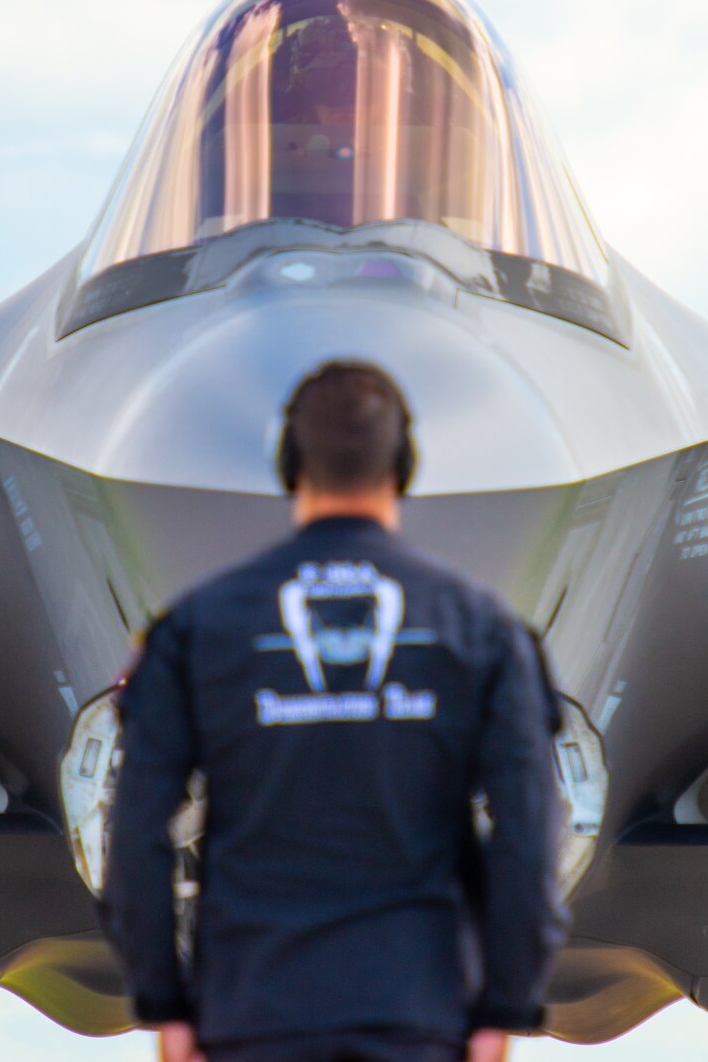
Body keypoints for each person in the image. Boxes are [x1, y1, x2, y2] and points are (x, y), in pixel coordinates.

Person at [104, 360, 567, 1062]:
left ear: (288, 461)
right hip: (419, 1019)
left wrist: (164, 1005)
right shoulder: (482, 629)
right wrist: (504, 1008)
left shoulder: (198, 628)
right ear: (405, 464)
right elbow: (528, 832)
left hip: (251, 1018)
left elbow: (137, 830)